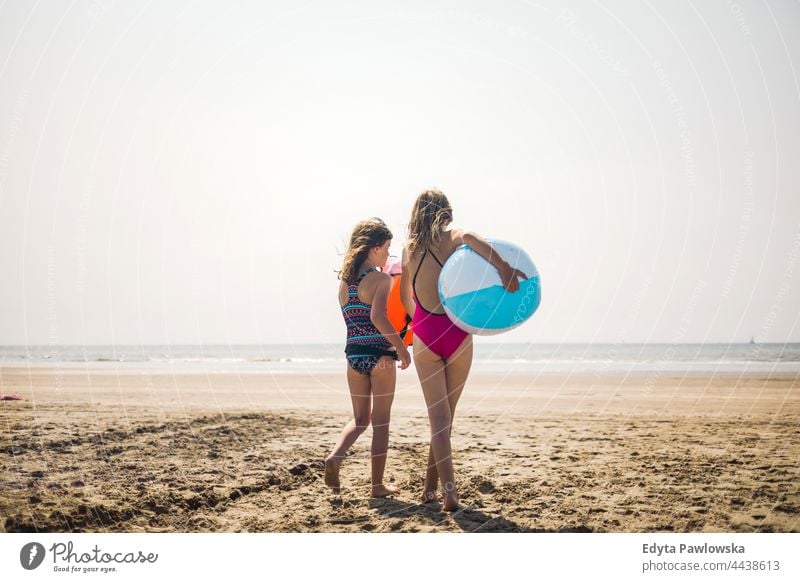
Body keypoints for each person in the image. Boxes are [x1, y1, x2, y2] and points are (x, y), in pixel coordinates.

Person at [400, 190, 527, 511]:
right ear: (445, 212)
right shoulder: (455, 237)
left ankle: (431, 489)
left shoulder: (408, 251)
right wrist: (503, 268)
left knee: (438, 422)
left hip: (425, 337)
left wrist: (423, 323)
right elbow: (474, 238)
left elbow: (406, 298)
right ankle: (451, 494)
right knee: (446, 421)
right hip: (457, 334)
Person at [325, 217, 412, 497]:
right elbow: (378, 317)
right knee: (381, 422)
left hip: (354, 357)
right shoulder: (381, 280)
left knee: (360, 419)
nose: (389, 254)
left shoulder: (344, 285)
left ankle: (335, 457)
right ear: (374, 248)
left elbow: (354, 320)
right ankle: (377, 486)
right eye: (387, 247)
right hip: (380, 357)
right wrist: (400, 347)